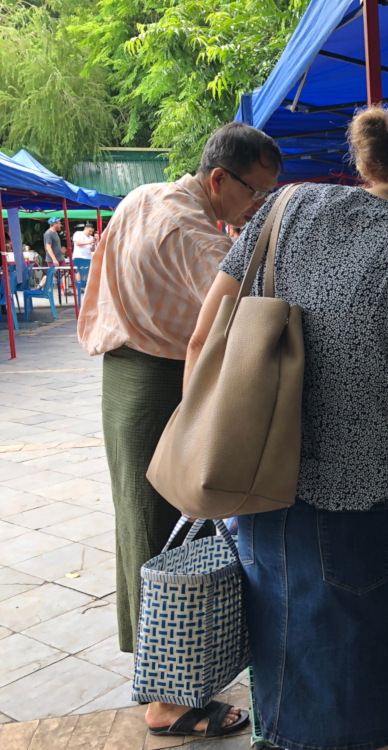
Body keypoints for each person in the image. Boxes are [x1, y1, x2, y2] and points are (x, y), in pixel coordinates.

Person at [186, 107, 388, 750]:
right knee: (370, 722)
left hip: (258, 500)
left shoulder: (286, 208)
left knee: (286, 696)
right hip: (361, 527)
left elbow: (201, 345)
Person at [77, 122, 282, 738]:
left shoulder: (146, 195)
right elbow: (242, 318)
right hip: (154, 380)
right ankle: (166, 698)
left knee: (154, 527)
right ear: (219, 179)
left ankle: (168, 672)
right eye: (255, 196)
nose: (256, 212)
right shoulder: (191, 233)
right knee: (158, 534)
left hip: (129, 372)